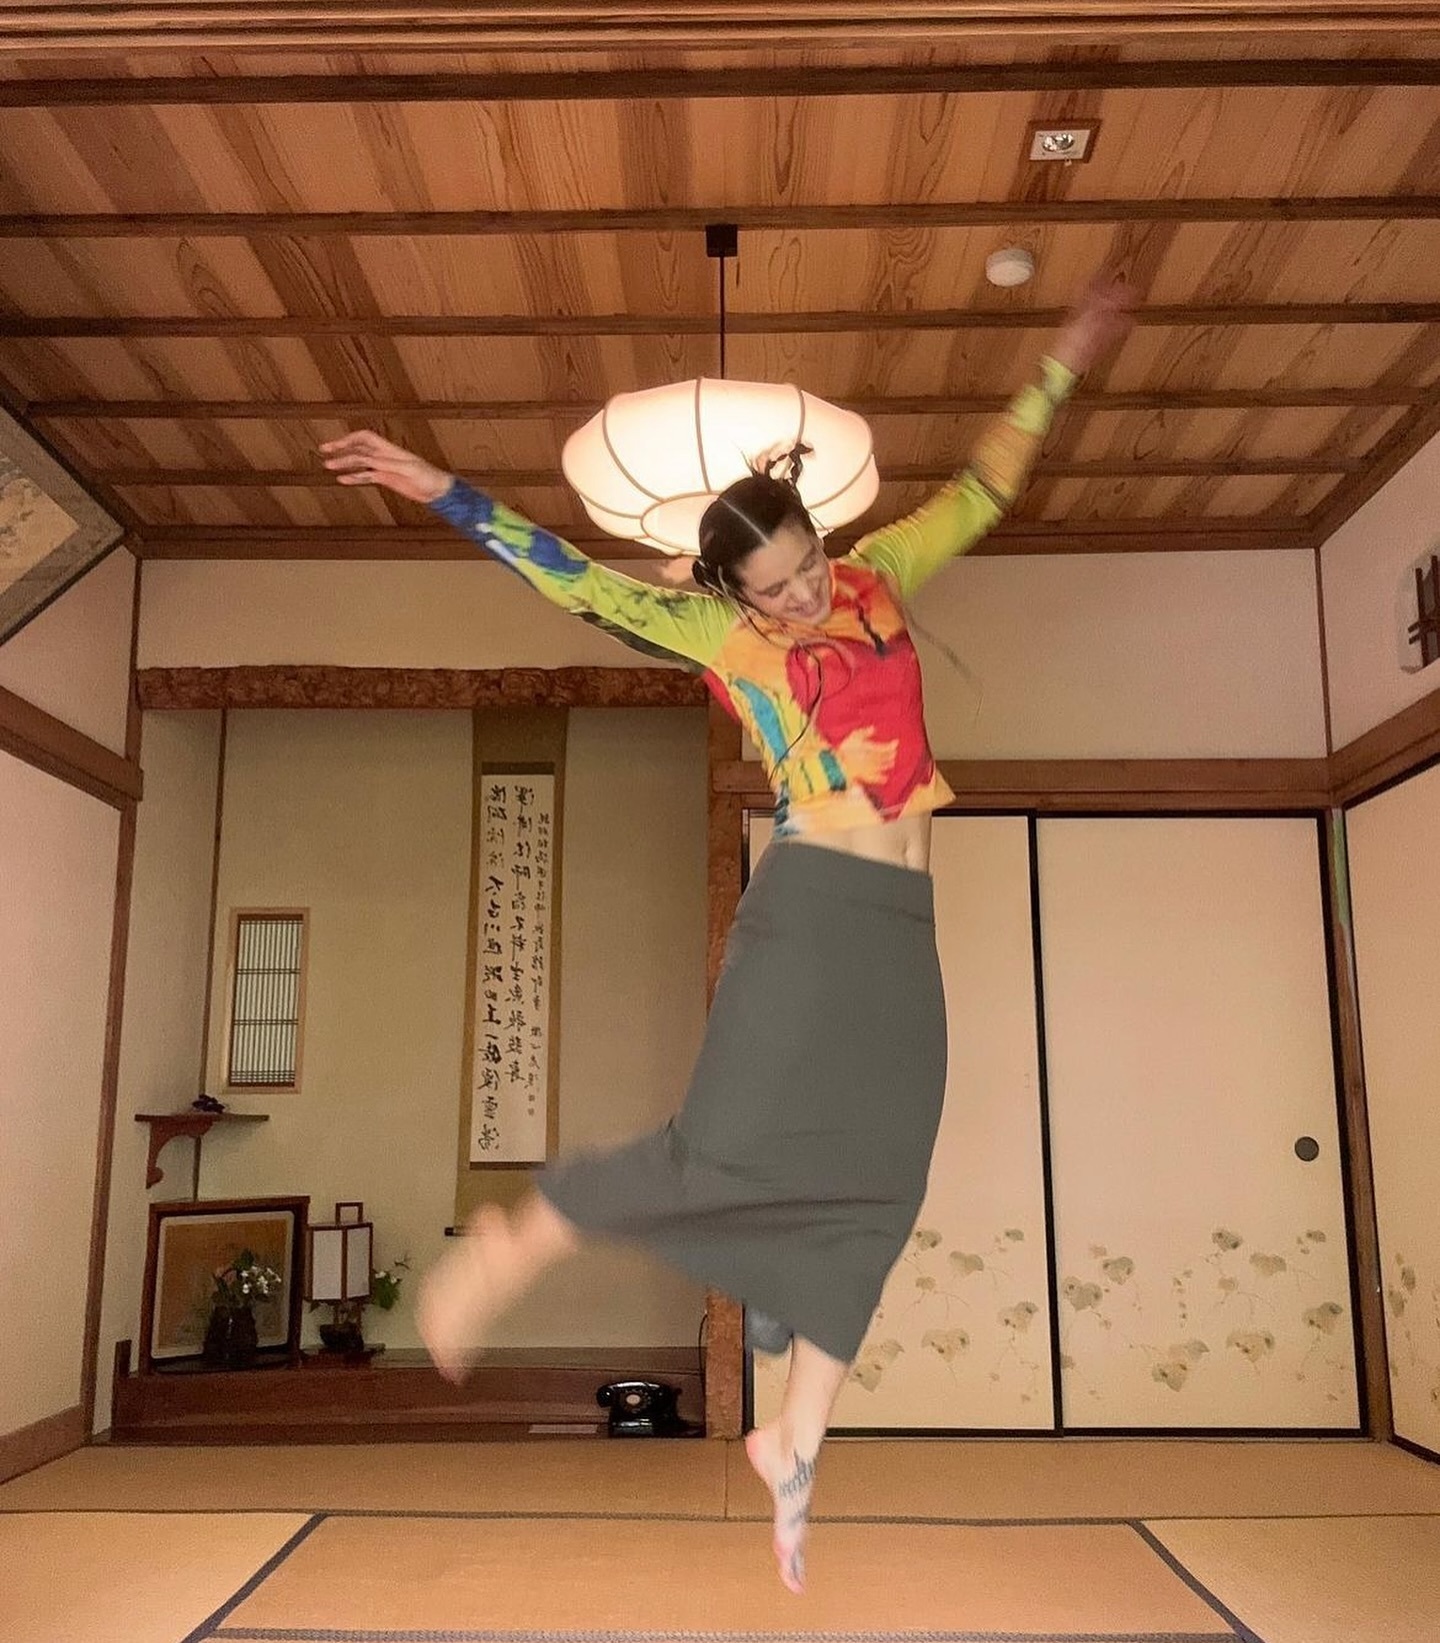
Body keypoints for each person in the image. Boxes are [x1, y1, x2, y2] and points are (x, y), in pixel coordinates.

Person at [320, 273, 1134, 1594]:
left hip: (901, 921)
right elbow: (571, 577)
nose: (804, 597)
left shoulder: (880, 575)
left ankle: (794, 1440)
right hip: (806, 909)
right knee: (722, 1152)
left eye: (808, 567)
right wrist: (438, 490)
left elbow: (984, 488)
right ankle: (519, 1244)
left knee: (888, 1172)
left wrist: (1061, 363)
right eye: (775, 590)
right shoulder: (708, 630)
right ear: (726, 590)